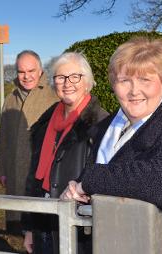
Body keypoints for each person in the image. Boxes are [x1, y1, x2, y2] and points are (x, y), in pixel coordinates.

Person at [60, 37, 162, 254]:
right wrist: (76, 190)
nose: (134, 91)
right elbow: (108, 174)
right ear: (113, 84)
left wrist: (88, 181)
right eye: (124, 80)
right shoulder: (105, 128)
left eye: (145, 80)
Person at [21, 52, 108, 254]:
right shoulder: (46, 122)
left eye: (75, 76)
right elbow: (34, 177)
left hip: (80, 226)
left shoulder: (100, 124)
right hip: (44, 218)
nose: (67, 83)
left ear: (88, 82)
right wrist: (29, 228)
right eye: (60, 77)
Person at [0, 50, 59, 232]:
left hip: (42, 174)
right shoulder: (10, 99)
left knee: (42, 228)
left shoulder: (53, 96)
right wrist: (1, 169)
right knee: (20, 226)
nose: (26, 76)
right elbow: (3, 138)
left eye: (31, 71)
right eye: (21, 72)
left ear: (40, 71)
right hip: (15, 172)